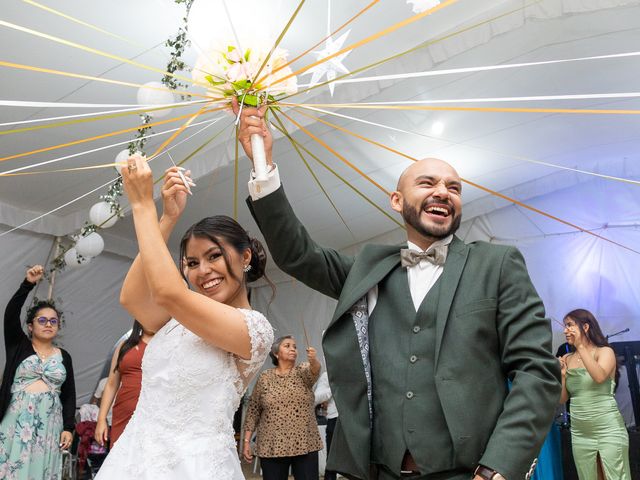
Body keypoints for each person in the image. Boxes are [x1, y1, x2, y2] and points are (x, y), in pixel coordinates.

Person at [235, 101, 562, 480]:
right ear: (396, 200)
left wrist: (499, 466)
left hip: (472, 472)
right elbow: (297, 254)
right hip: (381, 471)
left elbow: (537, 371)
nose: (443, 192)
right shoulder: (367, 269)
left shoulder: (497, 264)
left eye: (453, 188)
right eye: (427, 183)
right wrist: (262, 163)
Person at [95, 162, 274, 479]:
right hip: (134, 458)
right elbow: (132, 299)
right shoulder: (177, 321)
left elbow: (167, 292)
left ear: (245, 257)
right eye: (192, 262)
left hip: (194, 466)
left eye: (213, 256)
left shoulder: (253, 328)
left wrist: (142, 205)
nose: (203, 271)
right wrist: (167, 218)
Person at [0, 265, 76, 477]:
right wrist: (27, 284)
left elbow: (69, 394)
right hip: (16, 420)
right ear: (31, 326)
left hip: (49, 423)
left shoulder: (64, 356)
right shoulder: (18, 345)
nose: (48, 324)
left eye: (53, 321)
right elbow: (10, 313)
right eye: (42, 320)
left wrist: (68, 427)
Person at [559, 309, 631, 480]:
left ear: (585, 327)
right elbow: (562, 399)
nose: (565, 330)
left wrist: (581, 346)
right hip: (580, 433)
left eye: (569, 325)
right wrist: (562, 376)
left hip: (608, 429)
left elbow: (599, 377)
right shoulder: (567, 358)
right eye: (564, 326)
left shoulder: (605, 352)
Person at [243, 335, 323, 480]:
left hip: (304, 443)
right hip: (271, 445)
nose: (292, 349)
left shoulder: (302, 371)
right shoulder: (265, 378)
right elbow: (253, 410)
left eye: (294, 346)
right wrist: (247, 442)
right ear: (276, 353)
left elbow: (314, 371)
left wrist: (313, 360)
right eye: (287, 346)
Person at [94, 320, 153, 448]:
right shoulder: (125, 346)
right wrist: (101, 419)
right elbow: (111, 384)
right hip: (123, 416)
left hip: (154, 417)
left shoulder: (169, 347)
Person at [314, 371, 338, 480]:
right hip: (336, 419)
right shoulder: (328, 374)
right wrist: (335, 387)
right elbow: (316, 397)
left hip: (360, 419)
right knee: (332, 461)